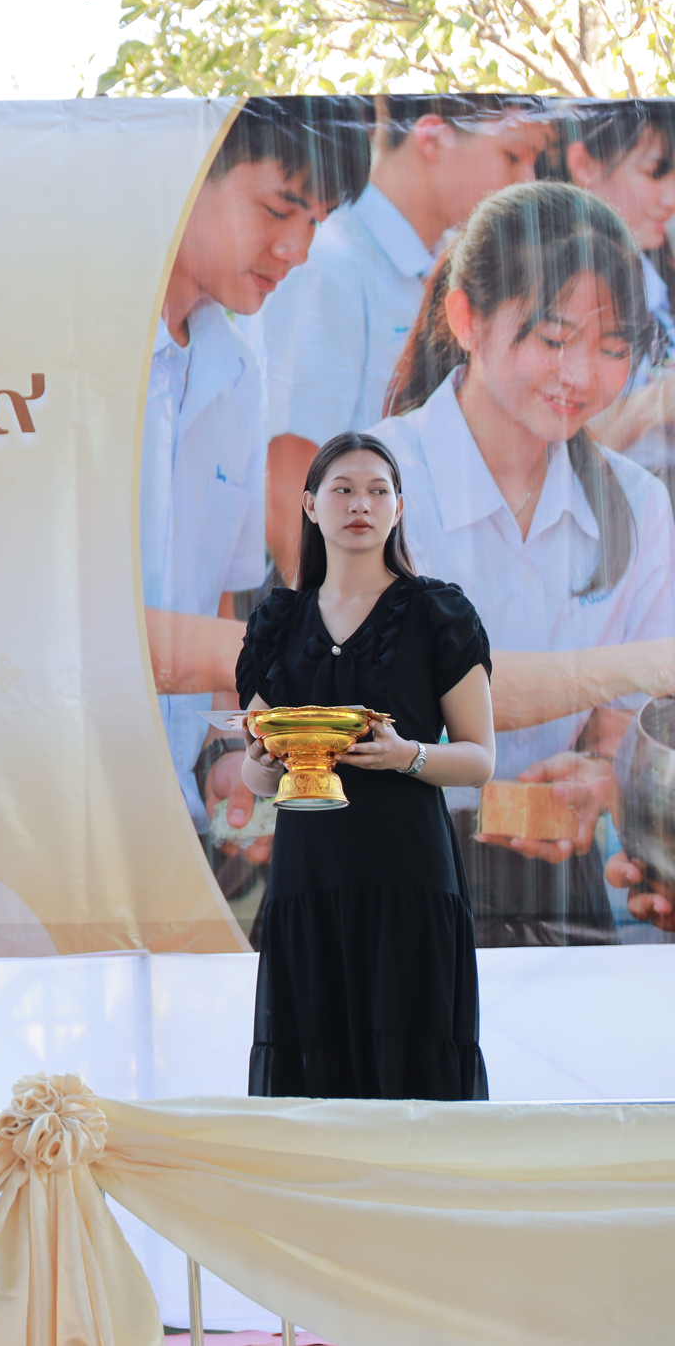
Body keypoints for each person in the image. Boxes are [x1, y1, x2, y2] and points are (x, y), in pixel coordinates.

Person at [373, 180, 675, 946]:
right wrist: (636, 665)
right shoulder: (374, 482)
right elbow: (415, 690)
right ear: (466, 318)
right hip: (387, 859)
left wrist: (597, 775)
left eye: (613, 348)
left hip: (557, 878)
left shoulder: (637, 506)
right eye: (553, 337)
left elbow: (624, 720)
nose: (581, 374)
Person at [234, 432, 497, 1100]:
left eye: (378, 491)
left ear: (399, 508)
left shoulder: (438, 613)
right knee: (313, 1080)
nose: (361, 504)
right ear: (310, 505)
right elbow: (257, 777)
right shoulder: (277, 621)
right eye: (343, 489)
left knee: (413, 1081)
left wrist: (407, 755)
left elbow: (478, 759)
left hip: (408, 875)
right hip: (307, 879)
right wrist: (262, 758)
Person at [141, 96, 371, 847]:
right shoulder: (80, 364)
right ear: (188, 177)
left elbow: (212, 605)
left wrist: (225, 755)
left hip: (169, 818)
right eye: (278, 209)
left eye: (316, 223)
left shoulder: (239, 377)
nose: (295, 250)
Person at [260, 94, 548, 581]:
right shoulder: (331, 262)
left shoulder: (449, 264)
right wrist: (339, 612)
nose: (528, 180)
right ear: (432, 137)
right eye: (513, 154)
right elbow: (290, 468)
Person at [542, 100, 675, 474]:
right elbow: (544, 451)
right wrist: (654, 403)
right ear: (584, 164)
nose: (671, 199)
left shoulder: (654, 282)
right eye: (654, 173)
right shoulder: (548, 287)